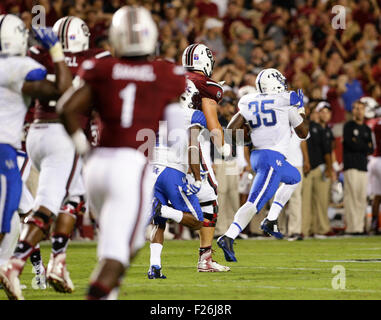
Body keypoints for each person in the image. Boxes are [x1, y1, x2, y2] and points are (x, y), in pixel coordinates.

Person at [58, 6, 187, 300]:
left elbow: (66, 108)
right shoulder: (164, 72)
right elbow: (177, 133)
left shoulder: (102, 68)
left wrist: (84, 150)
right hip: (130, 166)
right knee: (123, 252)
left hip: (96, 166)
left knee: (111, 244)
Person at [10, 16, 110, 295]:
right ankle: (14, 263)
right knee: (47, 205)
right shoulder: (95, 58)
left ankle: (58, 262)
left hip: (33, 133)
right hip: (65, 133)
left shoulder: (38, 55)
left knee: (75, 198)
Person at [0, 15, 73, 300]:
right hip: (4, 149)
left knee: (15, 217)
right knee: (7, 220)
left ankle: (7, 266)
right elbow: (61, 91)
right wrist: (56, 52)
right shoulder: (21, 66)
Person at [217, 68, 309, 262]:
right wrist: (300, 110)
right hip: (271, 158)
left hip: (260, 155)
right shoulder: (286, 101)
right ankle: (229, 236)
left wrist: (249, 141)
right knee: (254, 203)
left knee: (294, 177)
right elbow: (303, 133)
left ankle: (272, 219)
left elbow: (230, 131)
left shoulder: (249, 100)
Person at [148, 79, 216, 279]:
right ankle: (164, 209)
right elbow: (193, 147)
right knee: (197, 221)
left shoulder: (156, 112)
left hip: (152, 169)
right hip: (172, 170)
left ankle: (155, 266)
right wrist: (196, 177)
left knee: (158, 222)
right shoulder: (193, 114)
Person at [182, 43, 230, 272]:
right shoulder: (205, 85)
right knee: (209, 196)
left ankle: (154, 260)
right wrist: (224, 147)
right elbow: (212, 123)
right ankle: (205, 259)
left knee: (159, 196)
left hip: (158, 142)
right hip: (188, 141)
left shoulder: (172, 78)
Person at [301, 104, 334, 237]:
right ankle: (314, 228)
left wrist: (331, 167)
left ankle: (314, 228)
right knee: (313, 201)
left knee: (316, 201)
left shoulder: (324, 129)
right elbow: (327, 152)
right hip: (311, 167)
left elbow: (329, 150)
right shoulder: (310, 127)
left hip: (316, 167)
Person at [343, 100, 374, 235]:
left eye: (361, 108)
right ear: (352, 110)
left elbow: (371, 148)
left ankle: (360, 227)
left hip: (363, 166)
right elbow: (351, 145)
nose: (358, 111)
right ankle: (352, 227)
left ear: (364, 110)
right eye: (356, 108)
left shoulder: (367, 128)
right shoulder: (348, 126)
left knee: (361, 198)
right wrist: (363, 146)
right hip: (351, 166)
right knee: (352, 197)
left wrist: (359, 144)